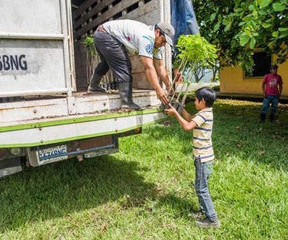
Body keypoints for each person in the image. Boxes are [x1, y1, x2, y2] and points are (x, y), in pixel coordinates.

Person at [164, 87, 220, 228]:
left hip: (203, 158)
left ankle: (212, 219)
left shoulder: (204, 115)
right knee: (200, 186)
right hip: (203, 157)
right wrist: (180, 108)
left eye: (196, 99)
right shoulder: (205, 112)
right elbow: (190, 119)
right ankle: (203, 211)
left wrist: (176, 113)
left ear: (203, 101)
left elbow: (187, 126)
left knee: (201, 188)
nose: (194, 101)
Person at [88, 19, 174, 109]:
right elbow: (149, 67)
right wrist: (158, 89)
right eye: (163, 40)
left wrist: (169, 86)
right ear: (157, 32)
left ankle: (93, 86)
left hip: (100, 34)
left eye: (165, 43)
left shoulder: (156, 44)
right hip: (105, 35)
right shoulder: (147, 37)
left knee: (106, 62)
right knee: (123, 64)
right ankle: (126, 103)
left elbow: (160, 67)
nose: (163, 44)